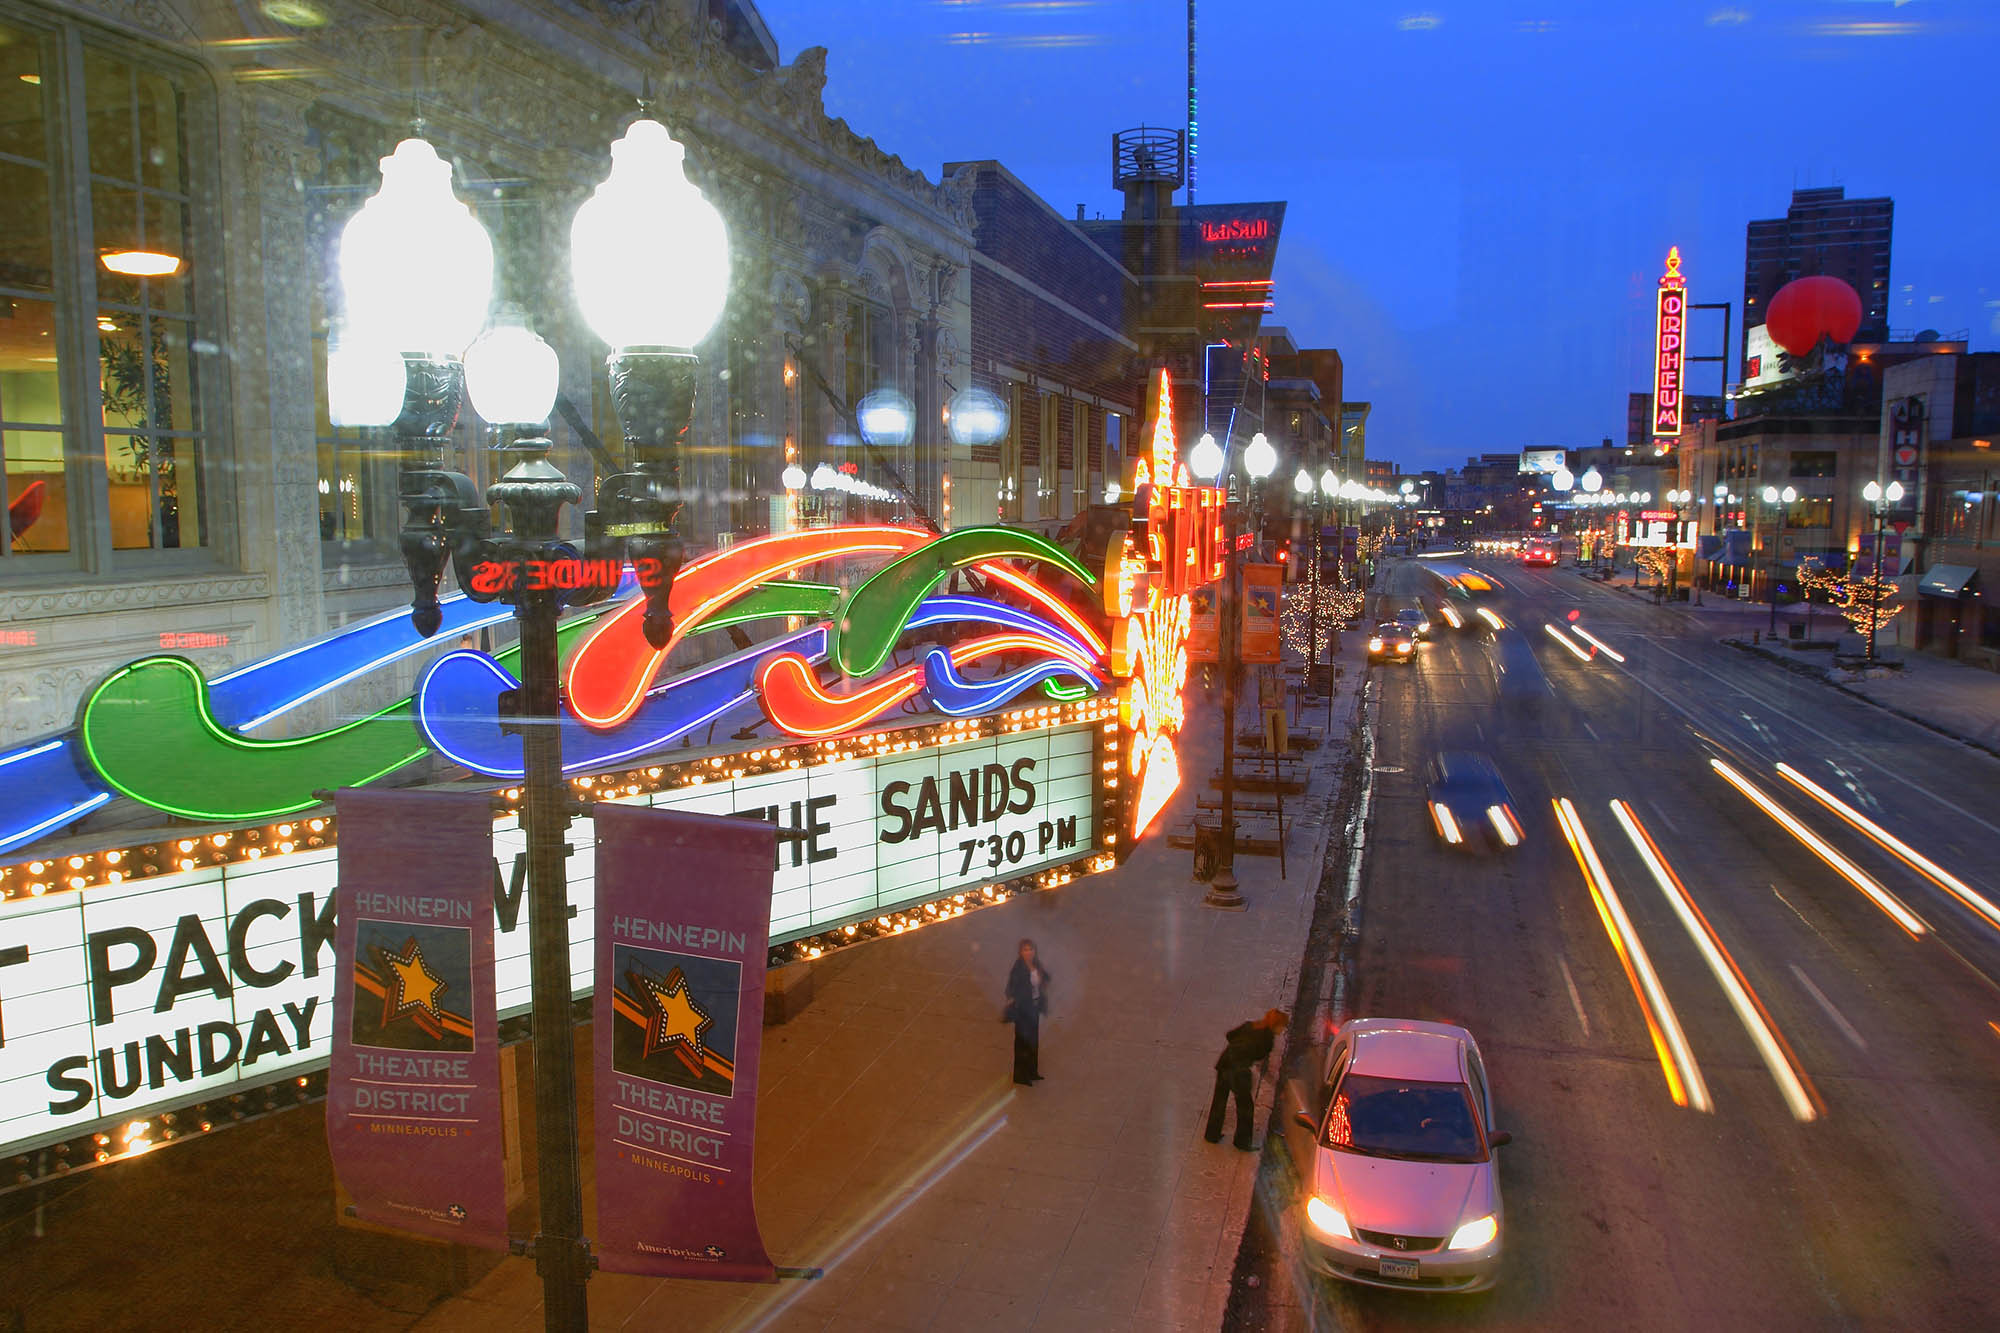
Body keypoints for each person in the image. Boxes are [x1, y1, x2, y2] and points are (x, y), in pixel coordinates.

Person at [1205, 1009, 1289, 1150]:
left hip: (1225, 1063)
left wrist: (1238, 1046)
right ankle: (1242, 1142)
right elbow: (1262, 1063)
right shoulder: (1267, 1039)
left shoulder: (1250, 1025)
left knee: (1219, 1100)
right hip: (1238, 1072)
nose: (1283, 1030)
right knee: (1245, 1108)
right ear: (1276, 1025)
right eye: (1283, 1026)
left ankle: (1212, 1135)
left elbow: (1230, 1035)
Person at [1003, 939, 1049, 1086]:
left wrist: (1043, 980)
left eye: (1030, 949)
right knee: (1022, 1044)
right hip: (1023, 1011)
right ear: (1020, 952)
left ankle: (1032, 1072)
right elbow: (1011, 987)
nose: (1028, 952)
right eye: (1025, 950)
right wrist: (1013, 999)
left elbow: (1046, 977)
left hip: (1034, 1009)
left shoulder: (1036, 964)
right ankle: (1020, 1076)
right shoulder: (1018, 968)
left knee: (1033, 1041)